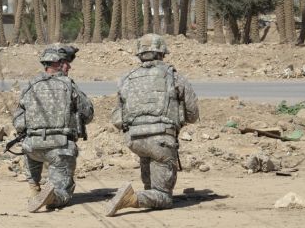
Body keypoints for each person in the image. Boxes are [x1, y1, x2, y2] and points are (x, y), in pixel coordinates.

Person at [106, 34, 199, 217]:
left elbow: (117, 118)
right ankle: (133, 199)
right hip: (162, 140)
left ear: (140, 54)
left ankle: (149, 193)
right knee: (164, 197)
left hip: (135, 141)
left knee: (149, 164)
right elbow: (193, 113)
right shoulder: (174, 76)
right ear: (162, 52)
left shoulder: (126, 78)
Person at [12, 44, 94, 213]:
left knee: (29, 149)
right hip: (60, 149)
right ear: (58, 63)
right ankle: (53, 197)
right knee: (64, 191)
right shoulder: (69, 85)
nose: (69, 67)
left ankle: (34, 187)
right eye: (67, 63)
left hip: (33, 148)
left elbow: (18, 121)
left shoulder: (30, 85)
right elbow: (88, 113)